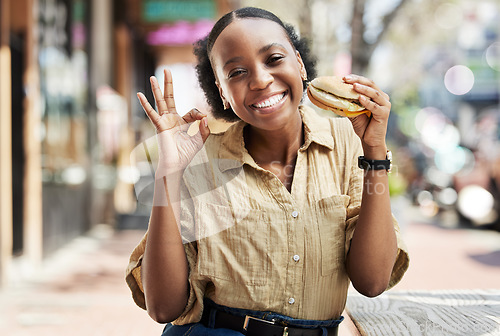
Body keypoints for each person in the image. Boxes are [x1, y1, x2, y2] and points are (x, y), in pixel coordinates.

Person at [126, 7, 409, 336]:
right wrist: (169, 176)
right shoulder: (198, 158)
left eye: (274, 58)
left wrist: (374, 154)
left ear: (299, 64)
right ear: (222, 92)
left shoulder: (349, 142)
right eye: (236, 72)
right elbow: (163, 307)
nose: (260, 79)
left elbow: (372, 281)